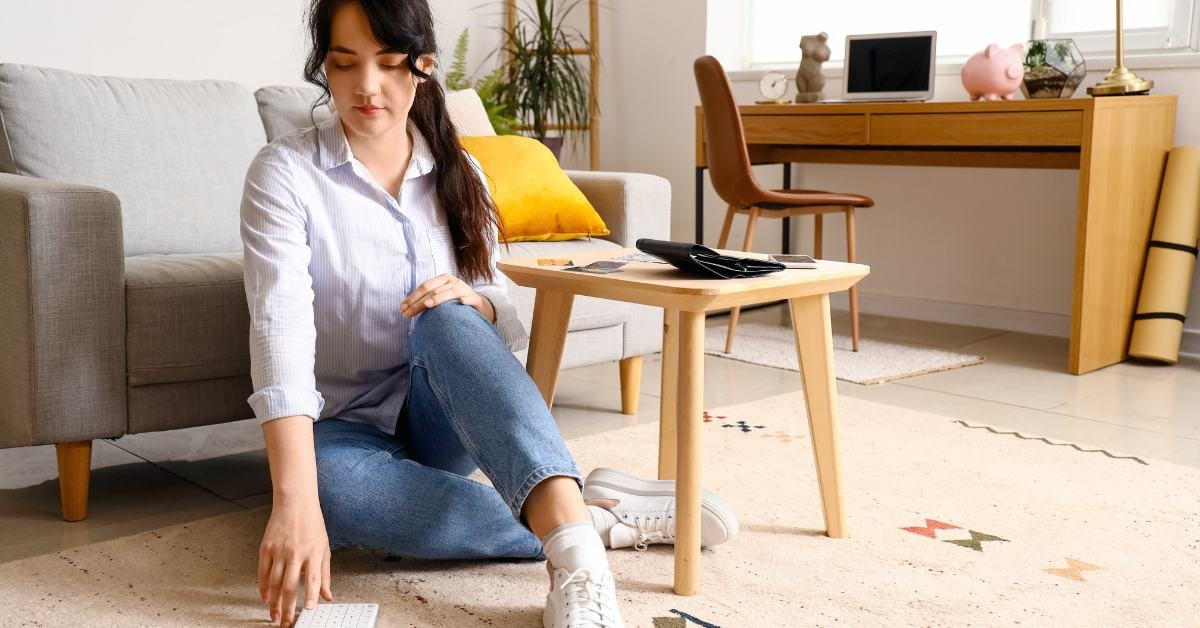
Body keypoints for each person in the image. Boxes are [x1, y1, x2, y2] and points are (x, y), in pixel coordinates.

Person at [239, 1, 738, 626]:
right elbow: (277, 326)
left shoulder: (461, 170)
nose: (367, 87)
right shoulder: (284, 174)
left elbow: (501, 313)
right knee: (331, 496)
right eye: (345, 65)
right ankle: (592, 515)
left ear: (422, 66)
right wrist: (294, 501)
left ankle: (576, 562)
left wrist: (474, 301)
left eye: (390, 64)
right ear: (325, 70)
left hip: (442, 418)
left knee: (448, 314)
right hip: (342, 426)